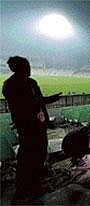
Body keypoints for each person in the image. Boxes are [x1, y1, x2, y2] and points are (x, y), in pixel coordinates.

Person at [2, 56, 62, 203]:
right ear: (19, 68)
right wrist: (48, 100)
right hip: (26, 127)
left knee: (40, 153)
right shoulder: (10, 85)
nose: (29, 68)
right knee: (27, 156)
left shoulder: (31, 82)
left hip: (38, 125)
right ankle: (22, 187)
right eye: (26, 66)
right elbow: (24, 104)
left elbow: (39, 102)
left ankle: (35, 182)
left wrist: (46, 121)